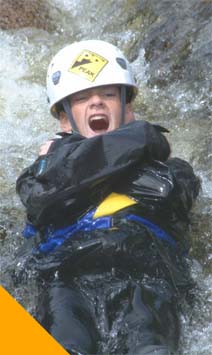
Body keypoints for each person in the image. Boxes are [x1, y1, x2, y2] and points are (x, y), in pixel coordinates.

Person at [16, 40, 200, 355]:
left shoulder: (173, 170)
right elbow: (42, 199)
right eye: (83, 98)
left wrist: (75, 166)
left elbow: (168, 192)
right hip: (67, 277)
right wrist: (141, 141)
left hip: (147, 277)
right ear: (64, 119)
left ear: (128, 108)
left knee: (149, 345)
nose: (97, 103)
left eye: (110, 94)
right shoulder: (39, 176)